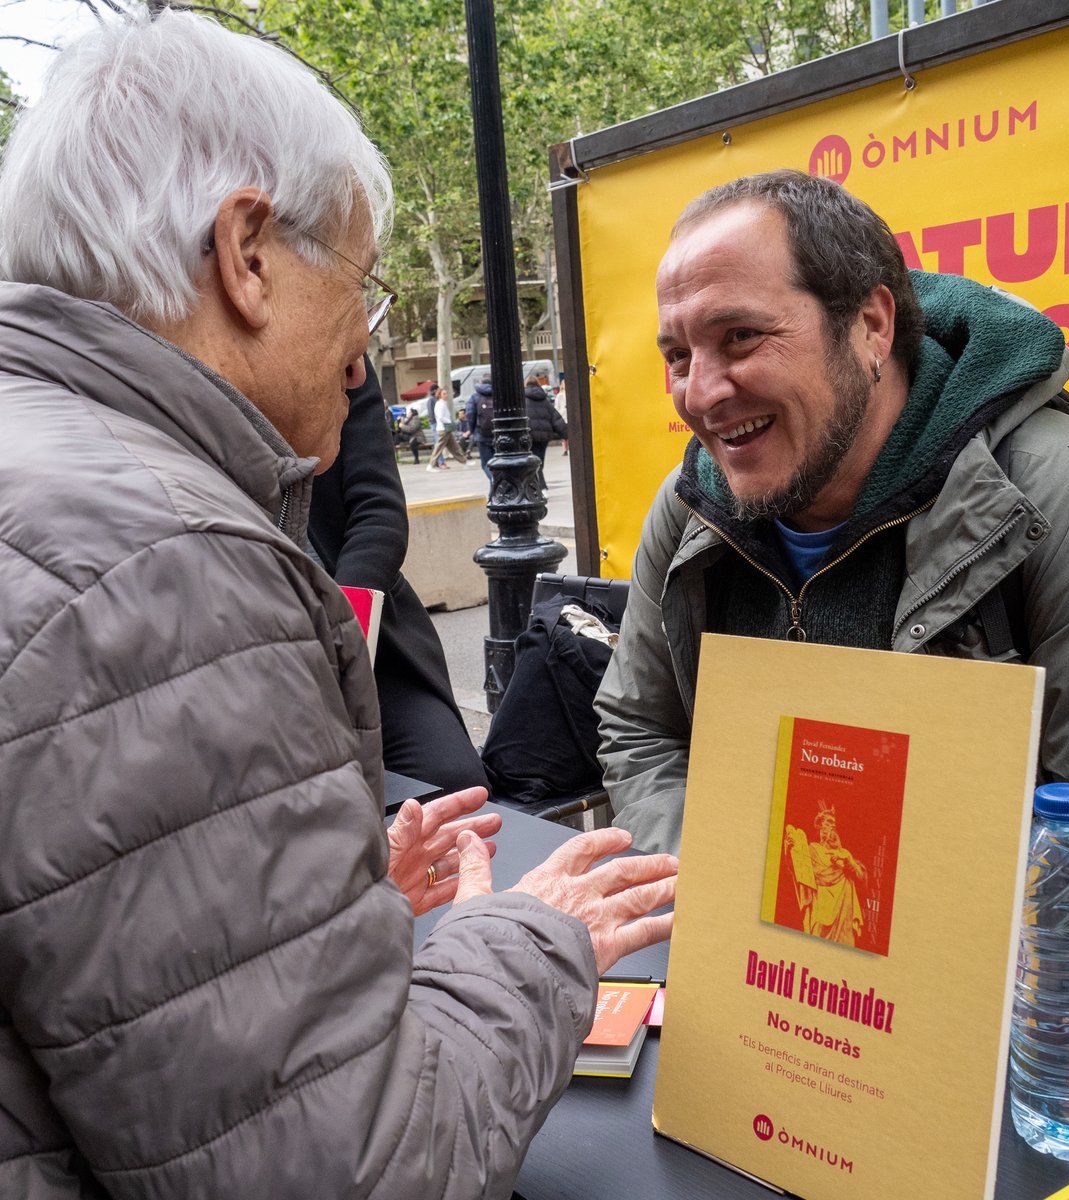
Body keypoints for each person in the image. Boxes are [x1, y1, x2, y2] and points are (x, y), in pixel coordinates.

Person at [0, 12, 677, 1197]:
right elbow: (347, 1169)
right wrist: (528, 937)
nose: (362, 355)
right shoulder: (171, 568)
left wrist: (312, 898)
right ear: (247, 250)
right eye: (359, 290)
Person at [594, 169, 1069, 1028]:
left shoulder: (1061, 498)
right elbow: (640, 726)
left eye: (740, 337)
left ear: (871, 324)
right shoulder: (693, 503)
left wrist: (824, 930)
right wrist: (723, 890)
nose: (702, 391)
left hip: (1051, 1024)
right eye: (678, 356)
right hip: (775, 990)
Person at [309, 358, 489, 791]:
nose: (354, 371)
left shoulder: (342, 354)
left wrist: (345, 637)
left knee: (455, 785)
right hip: (251, 650)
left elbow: (379, 510)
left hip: (369, 640)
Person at [784, 808, 865, 946]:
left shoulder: (844, 853)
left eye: (834, 823)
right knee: (817, 934)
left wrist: (849, 862)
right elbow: (797, 869)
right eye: (829, 822)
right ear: (820, 825)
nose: (833, 825)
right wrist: (788, 849)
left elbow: (861, 878)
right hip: (821, 902)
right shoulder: (812, 849)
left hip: (844, 906)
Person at [525, 373, 568, 495]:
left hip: (529, 435)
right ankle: (538, 487)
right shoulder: (543, 399)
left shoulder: (523, 399)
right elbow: (556, 418)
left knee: (532, 462)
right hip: (544, 436)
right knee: (539, 462)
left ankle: (542, 488)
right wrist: (566, 434)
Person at [428, 384, 467, 471]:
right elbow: (441, 417)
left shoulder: (442, 403)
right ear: (439, 395)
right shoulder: (440, 404)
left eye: (446, 393)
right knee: (439, 448)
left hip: (446, 429)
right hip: (443, 429)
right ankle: (431, 465)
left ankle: (464, 461)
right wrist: (450, 422)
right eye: (444, 394)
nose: (446, 395)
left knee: (454, 447)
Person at [467, 372, 497, 481]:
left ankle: (494, 481)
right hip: (498, 434)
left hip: (482, 435)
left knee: (486, 464)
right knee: (499, 462)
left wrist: (472, 430)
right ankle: (497, 484)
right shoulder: (498, 395)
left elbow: (470, 415)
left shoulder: (475, 397)